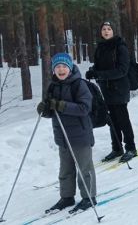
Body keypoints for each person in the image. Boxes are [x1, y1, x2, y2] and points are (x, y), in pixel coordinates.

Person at [37, 53, 97, 213]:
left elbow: (84, 108)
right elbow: (52, 111)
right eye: (57, 67)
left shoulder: (79, 85)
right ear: (53, 70)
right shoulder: (52, 86)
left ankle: (89, 197)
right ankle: (67, 197)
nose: (61, 69)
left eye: (64, 66)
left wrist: (61, 105)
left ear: (70, 68)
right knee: (65, 170)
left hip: (80, 135)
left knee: (85, 168)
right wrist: (45, 110)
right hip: (62, 136)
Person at [85, 21, 137, 163]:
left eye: (109, 29)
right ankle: (117, 148)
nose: (106, 31)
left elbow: (122, 70)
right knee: (112, 119)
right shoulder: (100, 47)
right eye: (104, 29)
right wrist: (92, 72)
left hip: (120, 88)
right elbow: (98, 66)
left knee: (122, 118)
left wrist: (100, 75)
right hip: (106, 89)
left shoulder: (120, 47)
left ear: (113, 31)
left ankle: (131, 148)